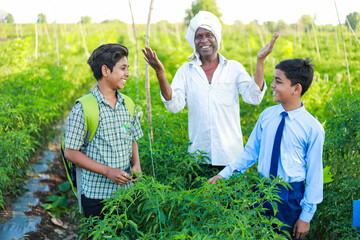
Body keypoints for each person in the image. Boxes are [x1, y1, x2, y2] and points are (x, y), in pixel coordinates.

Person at [142, 11, 279, 168]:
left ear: (217, 38)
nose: (204, 40)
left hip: (231, 157)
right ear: (193, 41)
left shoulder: (234, 68)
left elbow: (254, 97)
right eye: (199, 36)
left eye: (209, 35)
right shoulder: (186, 71)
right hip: (199, 158)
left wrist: (260, 60)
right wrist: (160, 73)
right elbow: (174, 106)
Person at [208, 58, 325, 239]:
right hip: (262, 190)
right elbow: (250, 153)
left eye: (278, 81)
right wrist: (224, 175)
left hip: (290, 197)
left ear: (296, 88)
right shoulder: (267, 116)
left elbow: (314, 174)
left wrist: (306, 216)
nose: (272, 85)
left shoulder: (312, 128)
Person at [64, 43, 143, 218]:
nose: (127, 73)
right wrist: (108, 171)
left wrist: (136, 165)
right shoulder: (84, 108)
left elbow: (132, 140)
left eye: (127, 68)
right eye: (123, 68)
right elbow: (70, 152)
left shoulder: (128, 104)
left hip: (126, 193)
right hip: (97, 197)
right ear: (106, 71)